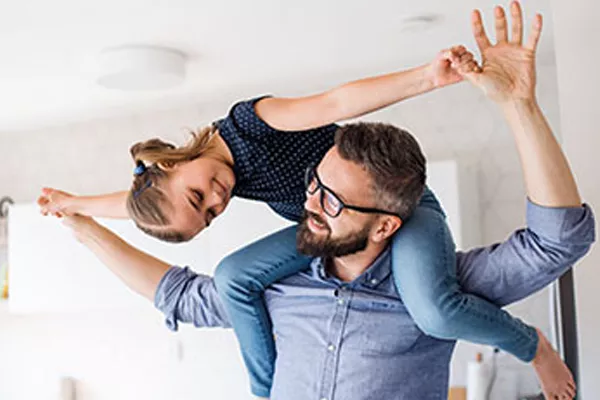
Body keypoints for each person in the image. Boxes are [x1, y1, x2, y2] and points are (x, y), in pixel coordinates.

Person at [38, 2, 591, 398]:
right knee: (232, 274)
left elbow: (335, 100)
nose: (218, 203)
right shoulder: (277, 287)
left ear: (384, 227)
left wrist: (440, 81)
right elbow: (168, 271)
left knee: (433, 309)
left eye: (330, 197)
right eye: (207, 213)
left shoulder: (249, 126)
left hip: (421, 229)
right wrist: (81, 215)